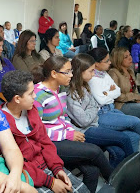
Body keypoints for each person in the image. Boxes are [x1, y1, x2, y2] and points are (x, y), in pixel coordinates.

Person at [33, 56, 114, 192]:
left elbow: (64, 116)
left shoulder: (60, 90)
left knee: (92, 171)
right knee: (95, 151)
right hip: (49, 143)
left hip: (63, 136)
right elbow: (38, 131)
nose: (71, 75)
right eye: (67, 72)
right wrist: (67, 134)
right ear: (54, 74)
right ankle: (115, 183)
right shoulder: (38, 95)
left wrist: (71, 131)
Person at [0, 70, 90, 193]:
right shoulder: (1, 123)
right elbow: (16, 162)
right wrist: (50, 181)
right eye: (31, 93)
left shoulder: (32, 111)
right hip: (29, 174)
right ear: (17, 98)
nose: (35, 96)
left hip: (46, 165)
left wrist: (57, 168)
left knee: (81, 190)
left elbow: (45, 141)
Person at [66, 54, 134, 168]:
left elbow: (95, 107)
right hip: (84, 131)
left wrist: (92, 109)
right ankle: (135, 170)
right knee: (124, 138)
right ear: (80, 72)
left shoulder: (85, 86)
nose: (93, 74)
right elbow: (84, 121)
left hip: (94, 124)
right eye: (91, 71)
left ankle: (113, 180)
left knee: (119, 152)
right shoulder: (72, 93)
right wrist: (93, 109)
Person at [87, 48, 140, 151]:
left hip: (111, 109)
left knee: (134, 136)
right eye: (107, 60)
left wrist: (107, 92)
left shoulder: (104, 74)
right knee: (136, 121)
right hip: (102, 114)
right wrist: (110, 91)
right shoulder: (93, 79)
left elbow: (117, 91)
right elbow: (102, 100)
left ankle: (133, 164)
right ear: (96, 64)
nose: (110, 62)